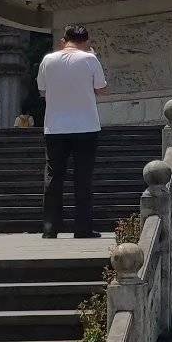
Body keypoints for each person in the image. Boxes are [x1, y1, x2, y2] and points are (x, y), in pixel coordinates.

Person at [35, 25, 106, 239]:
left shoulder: (48, 60)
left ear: (63, 40)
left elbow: (42, 90)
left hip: (55, 127)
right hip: (86, 126)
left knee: (54, 177)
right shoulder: (90, 59)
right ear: (86, 41)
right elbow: (101, 89)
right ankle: (83, 228)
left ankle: (50, 227)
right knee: (83, 178)